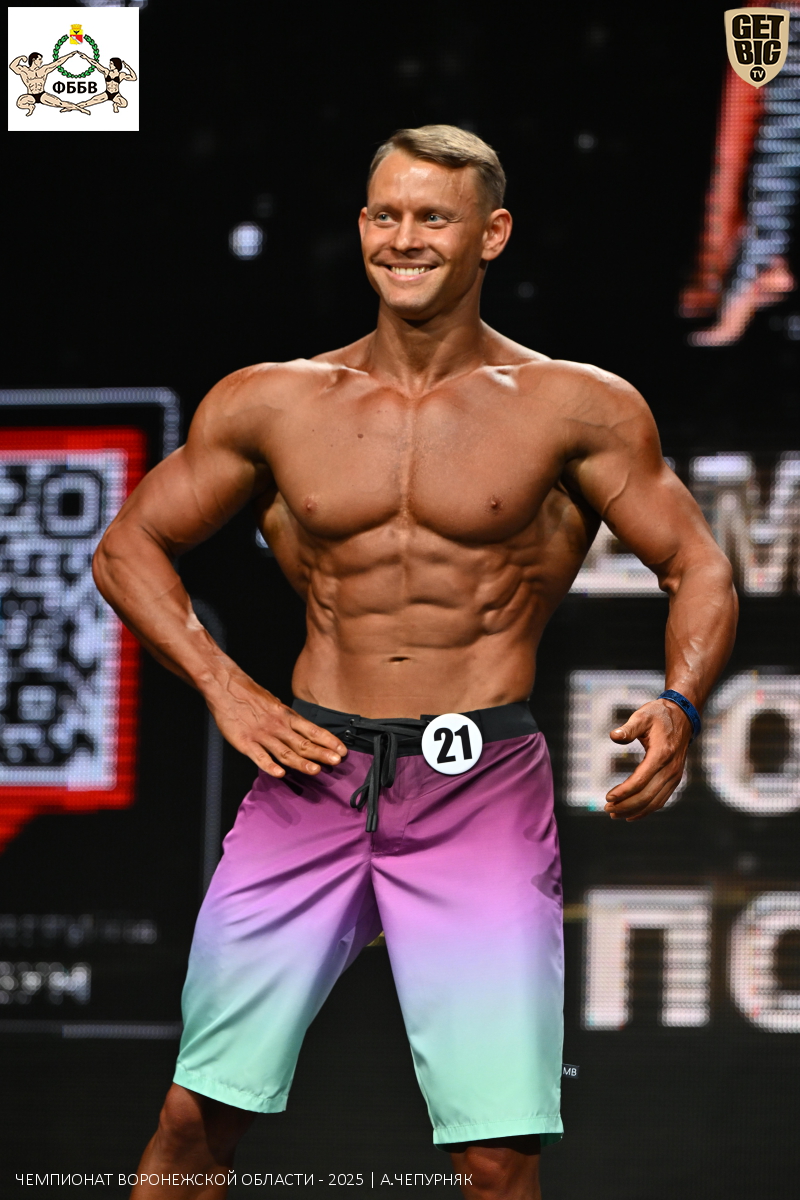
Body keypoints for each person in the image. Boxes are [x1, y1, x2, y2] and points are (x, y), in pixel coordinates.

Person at [93, 125, 738, 1200]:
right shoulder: (273, 400)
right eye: (384, 215)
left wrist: (680, 701)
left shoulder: (575, 404)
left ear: (492, 233)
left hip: (477, 785)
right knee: (195, 1113)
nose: (404, 239)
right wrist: (226, 687)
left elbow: (698, 565)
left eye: (433, 217)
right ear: (359, 228)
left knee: (495, 1153)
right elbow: (127, 549)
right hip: (309, 776)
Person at [9, 50, 89, 116]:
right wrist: (21, 57)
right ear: (34, 60)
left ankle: (80, 109)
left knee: (60, 103)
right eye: (39, 59)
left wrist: (69, 55)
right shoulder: (24, 71)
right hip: (30, 96)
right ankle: (30, 107)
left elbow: (57, 63)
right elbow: (12, 66)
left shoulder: (43, 69)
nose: (41, 61)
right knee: (20, 103)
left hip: (42, 95)